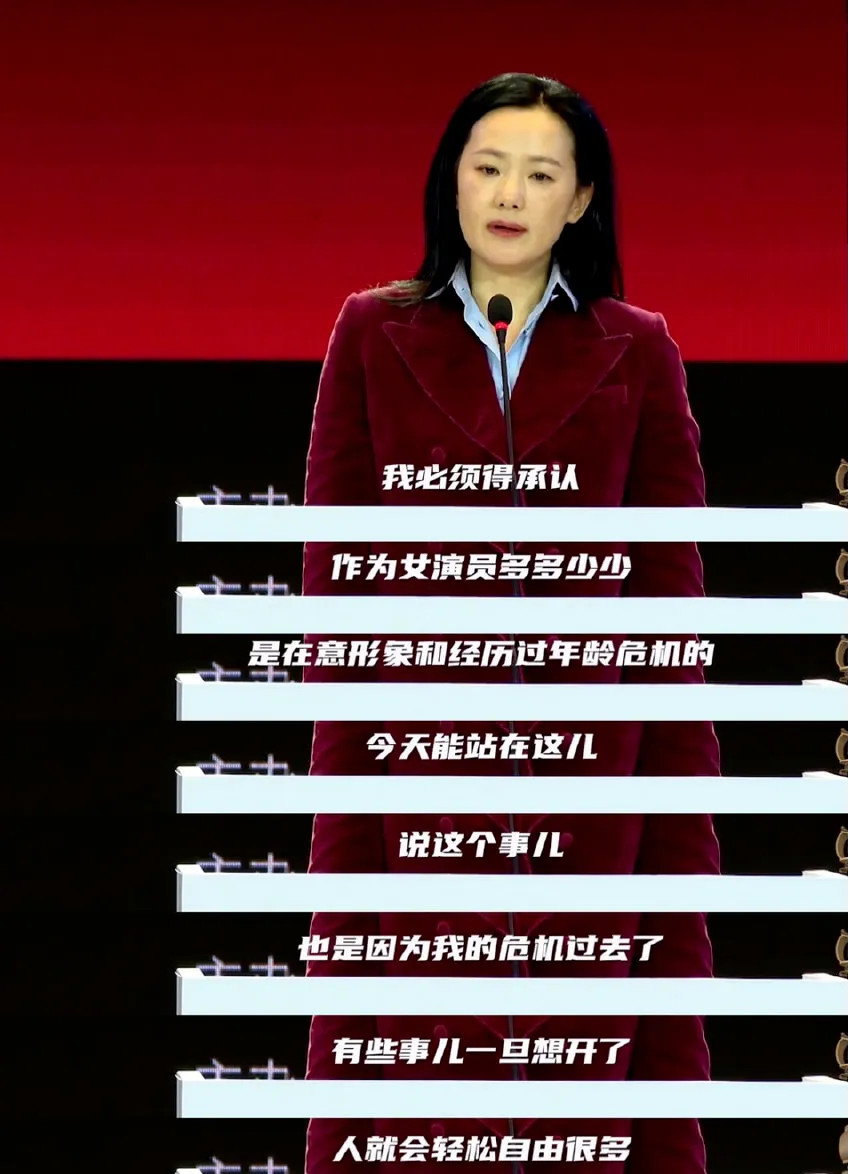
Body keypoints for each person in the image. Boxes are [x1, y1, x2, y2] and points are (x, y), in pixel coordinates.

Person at [300, 72, 721, 1173]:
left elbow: (671, 607)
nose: (508, 195)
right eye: (487, 167)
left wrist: (678, 815)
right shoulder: (373, 333)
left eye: (540, 174)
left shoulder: (638, 348)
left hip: (597, 776)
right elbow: (336, 595)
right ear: (451, 181)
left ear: (579, 201)